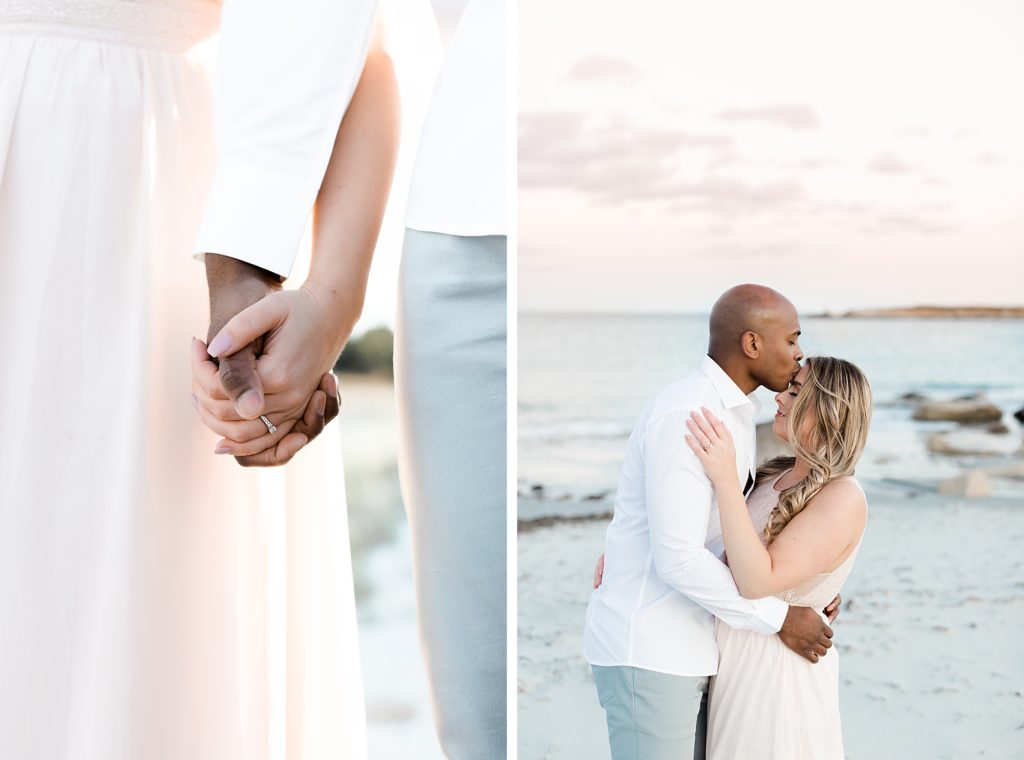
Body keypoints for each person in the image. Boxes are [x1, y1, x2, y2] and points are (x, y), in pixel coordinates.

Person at [0, 2, 396, 756]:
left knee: (135, 662)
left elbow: (355, 47)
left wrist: (331, 300)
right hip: (150, 210)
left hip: (164, 238)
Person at [191, 1, 508, 756]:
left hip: (491, 191)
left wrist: (314, 288)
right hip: (478, 197)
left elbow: (355, 46)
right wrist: (256, 266)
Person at [584, 284, 837, 759]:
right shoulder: (692, 413)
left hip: (697, 643)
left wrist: (802, 588)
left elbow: (720, 533)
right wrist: (780, 618)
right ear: (753, 344)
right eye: (792, 338)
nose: (800, 354)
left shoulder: (737, 415)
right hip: (653, 647)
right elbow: (677, 558)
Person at [685, 356, 871, 759]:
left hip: (777, 672)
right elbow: (716, 545)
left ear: (828, 410)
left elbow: (756, 580)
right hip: (734, 659)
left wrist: (724, 478)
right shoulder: (773, 476)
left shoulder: (842, 496)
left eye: (795, 391)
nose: (779, 397)